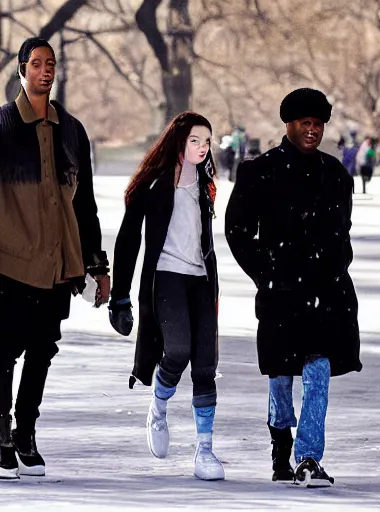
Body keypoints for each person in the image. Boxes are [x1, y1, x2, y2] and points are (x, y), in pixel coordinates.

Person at [225, 88, 362, 487]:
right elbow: (237, 231)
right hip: (280, 292)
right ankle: (280, 444)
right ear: (289, 124)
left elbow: (343, 231)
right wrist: (265, 275)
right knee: (281, 375)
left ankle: (308, 457)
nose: (313, 131)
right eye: (306, 123)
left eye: (319, 124)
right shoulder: (259, 172)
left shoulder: (335, 174)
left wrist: (338, 267)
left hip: (326, 291)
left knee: (318, 369)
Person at [0, 37, 110, 480]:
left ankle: (26, 431)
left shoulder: (73, 131)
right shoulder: (4, 126)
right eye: (37, 64)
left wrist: (97, 266)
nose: (46, 71)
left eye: (52, 64)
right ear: (23, 70)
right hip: (10, 260)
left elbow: (85, 205)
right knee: (4, 350)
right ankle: (1, 434)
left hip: (59, 263)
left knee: (43, 350)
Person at [108, 112, 224, 481]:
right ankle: (158, 408)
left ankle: (204, 451)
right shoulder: (155, 184)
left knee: (206, 364)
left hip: (201, 280)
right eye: (195, 141)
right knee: (177, 350)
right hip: (166, 278)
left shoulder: (205, 183)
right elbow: (127, 240)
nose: (203, 148)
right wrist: (120, 297)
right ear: (179, 141)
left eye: (207, 142)